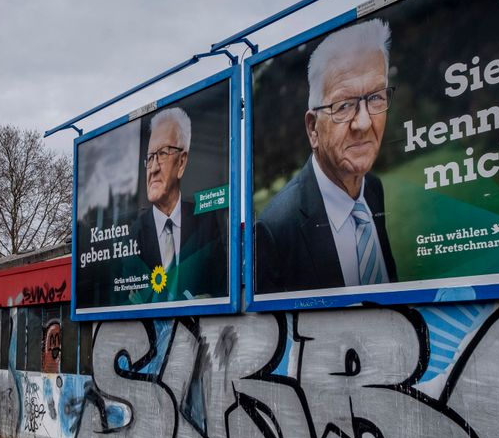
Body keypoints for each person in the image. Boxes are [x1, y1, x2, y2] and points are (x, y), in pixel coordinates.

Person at [255, 18, 398, 294]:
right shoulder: (275, 229)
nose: (364, 123)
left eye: (376, 98)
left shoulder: (373, 188)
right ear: (313, 128)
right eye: (344, 105)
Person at [130, 107, 226, 300]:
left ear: (182, 162)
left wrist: (212, 300)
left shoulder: (206, 223)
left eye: (163, 153)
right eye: (150, 157)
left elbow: (222, 287)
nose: (154, 168)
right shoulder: (133, 234)